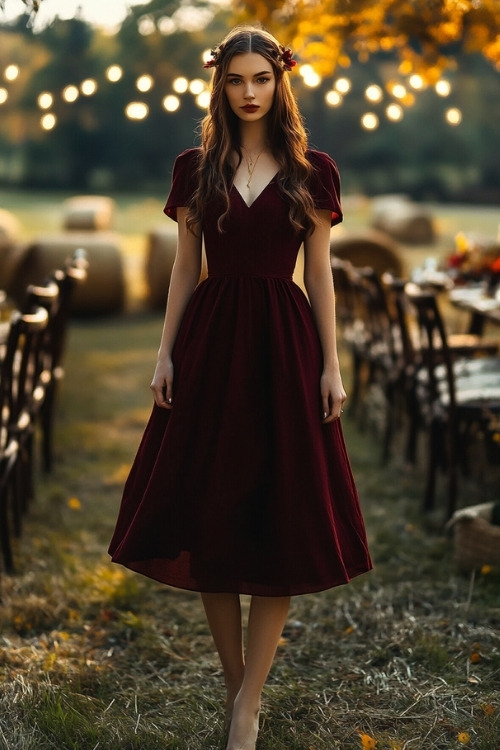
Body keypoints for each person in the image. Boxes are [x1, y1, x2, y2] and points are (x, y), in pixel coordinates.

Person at [109, 24, 372, 750]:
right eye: (236, 80)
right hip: (211, 346)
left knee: (279, 514)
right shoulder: (194, 166)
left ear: (279, 80)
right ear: (219, 85)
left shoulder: (312, 168)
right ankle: (238, 693)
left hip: (285, 347)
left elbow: (317, 275)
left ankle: (249, 707)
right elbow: (184, 270)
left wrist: (331, 363)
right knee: (210, 514)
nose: (250, 92)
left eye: (261, 78)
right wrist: (165, 354)